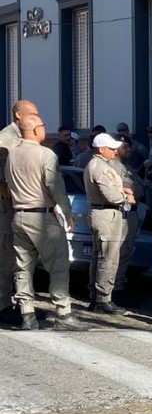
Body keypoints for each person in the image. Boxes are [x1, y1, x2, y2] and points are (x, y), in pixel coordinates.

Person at [6, 115, 89, 330]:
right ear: (35, 130)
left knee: (23, 267)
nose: (45, 129)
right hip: (42, 215)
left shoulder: (12, 154)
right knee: (58, 265)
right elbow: (55, 186)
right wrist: (67, 212)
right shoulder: (45, 154)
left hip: (19, 214)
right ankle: (63, 313)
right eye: (43, 126)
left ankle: (27, 313)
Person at [84, 133, 136, 315]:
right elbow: (110, 195)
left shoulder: (98, 165)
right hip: (107, 214)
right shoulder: (100, 167)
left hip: (102, 212)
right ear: (101, 149)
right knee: (109, 258)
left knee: (99, 256)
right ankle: (103, 299)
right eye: (111, 148)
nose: (115, 151)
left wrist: (121, 189)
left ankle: (96, 296)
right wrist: (126, 198)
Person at [0, 99, 40, 326]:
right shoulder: (6, 137)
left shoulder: (24, 138)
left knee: (18, 257)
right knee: (5, 254)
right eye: (32, 113)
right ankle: (2, 304)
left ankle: (15, 301)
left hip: (18, 206)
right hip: (5, 206)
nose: (36, 116)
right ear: (18, 115)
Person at [111, 135, 146, 305]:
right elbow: (131, 190)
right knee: (118, 253)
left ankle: (117, 287)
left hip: (130, 213)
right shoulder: (112, 168)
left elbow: (140, 188)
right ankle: (113, 290)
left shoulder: (128, 167)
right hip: (121, 214)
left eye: (129, 146)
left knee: (125, 252)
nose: (129, 150)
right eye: (125, 146)